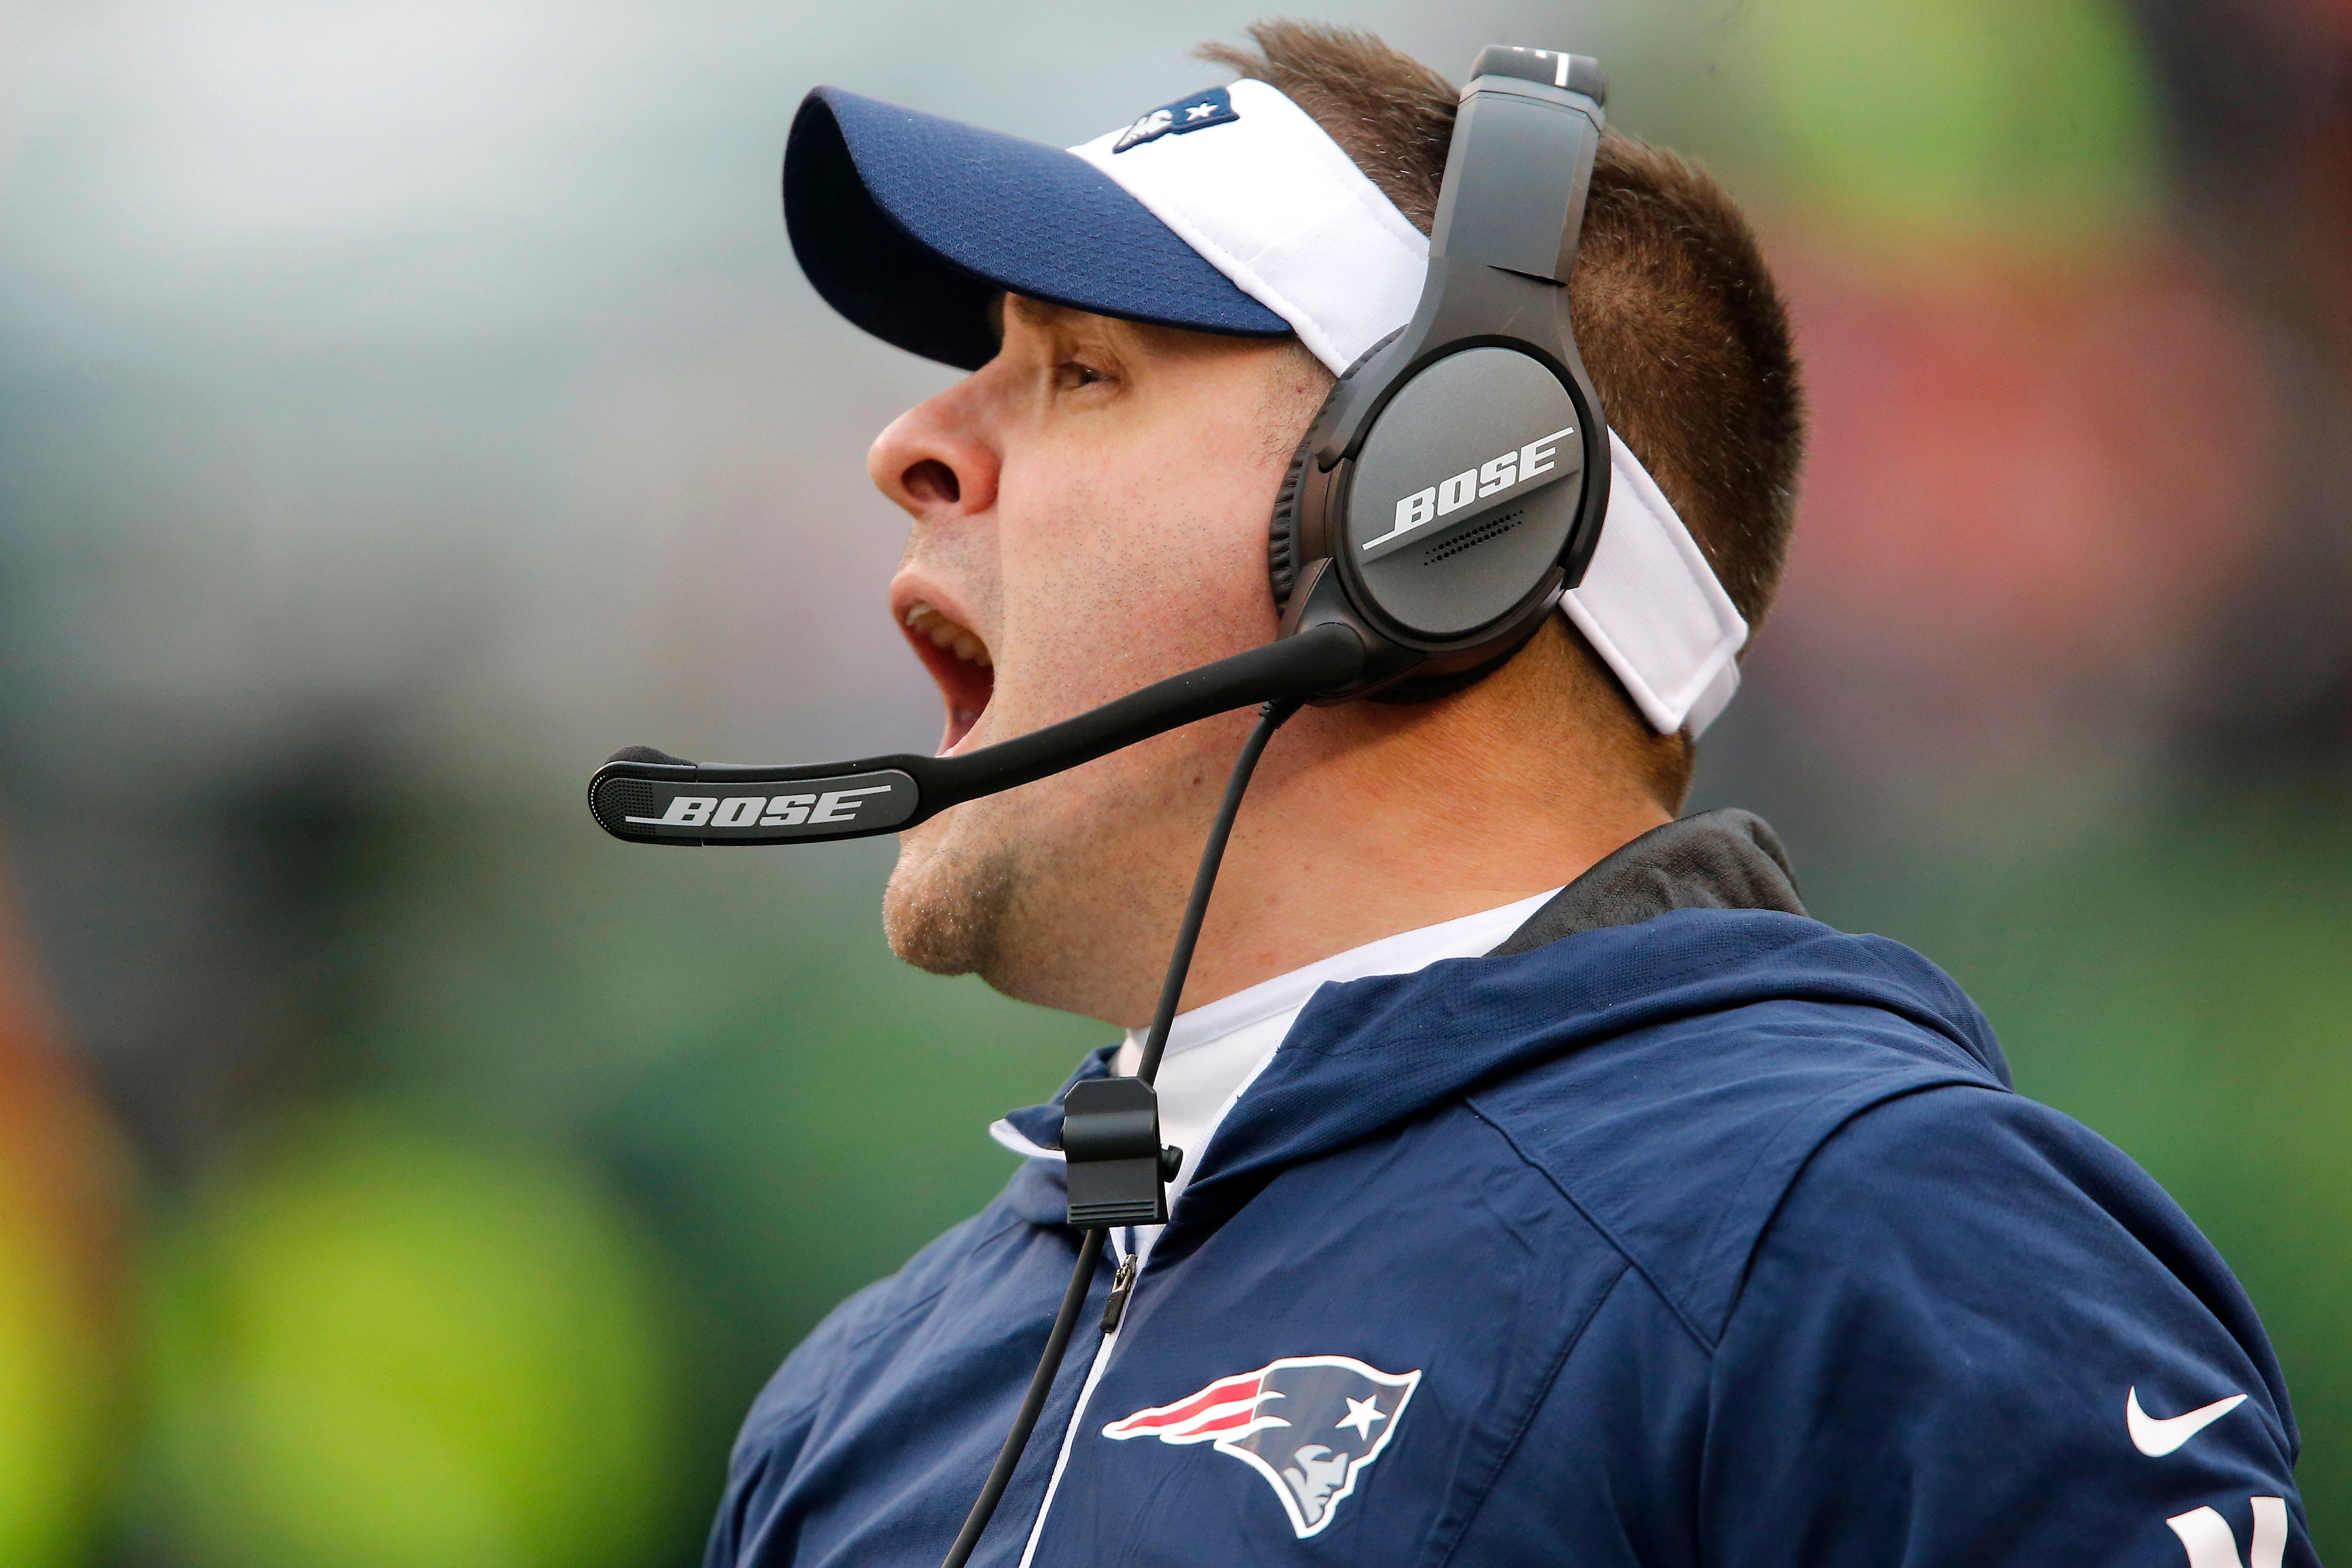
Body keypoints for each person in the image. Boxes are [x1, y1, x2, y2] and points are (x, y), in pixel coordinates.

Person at [705, 21, 2316, 1567]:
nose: (910, 446)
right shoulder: (862, 1397)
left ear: (1440, 506)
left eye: (1082, 373)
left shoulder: (1883, 1240)